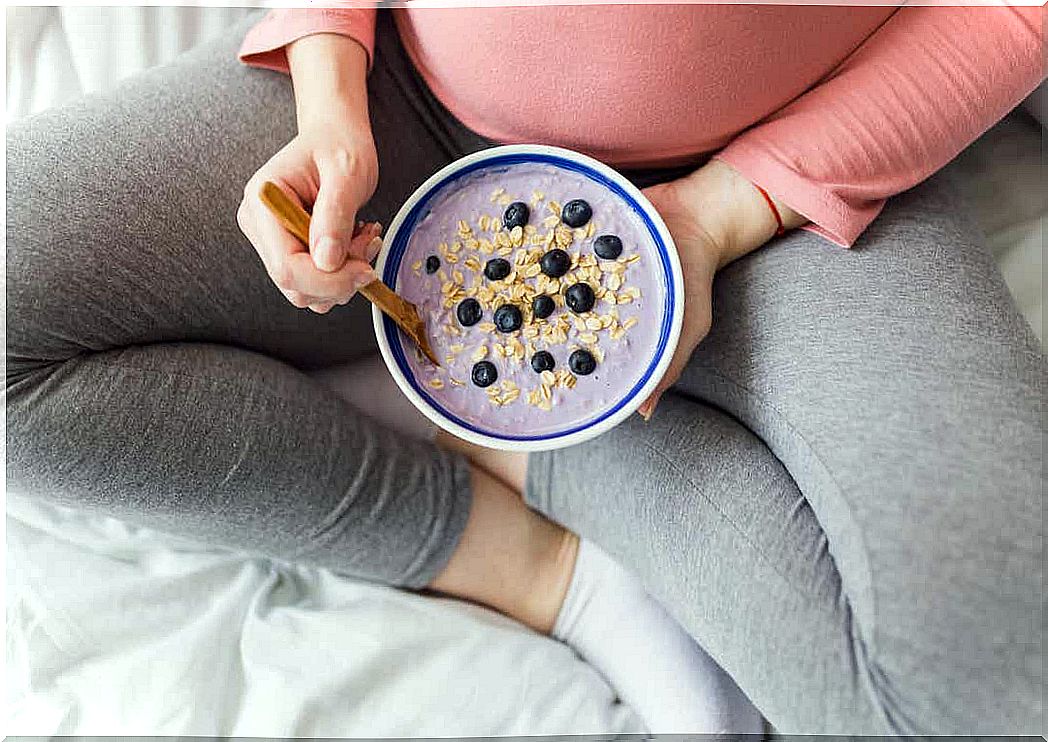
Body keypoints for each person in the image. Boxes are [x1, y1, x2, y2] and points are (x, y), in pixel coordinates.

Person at [6, 4, 1043, 734]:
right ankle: (525, 551)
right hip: (404, 104)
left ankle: (524, 436)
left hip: (805, 179)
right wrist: (329, 86)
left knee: (985, 697)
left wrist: (728, 209)